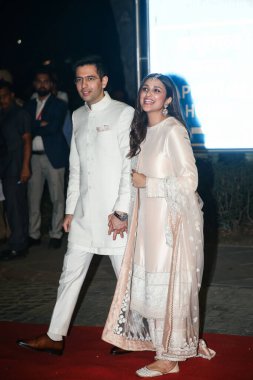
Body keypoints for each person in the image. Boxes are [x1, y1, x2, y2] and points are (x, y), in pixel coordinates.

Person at [17, 55, 134, 355]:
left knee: (126, 280)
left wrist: (122, 211)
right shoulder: (77, 116)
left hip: (115, 216)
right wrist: (70, 210)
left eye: (90, 78)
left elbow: (128, 167)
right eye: (79, 80)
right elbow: (76, 167)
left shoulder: (124, 113)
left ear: (104, 81)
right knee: (69, 274)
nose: (84, 85)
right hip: (83, 215)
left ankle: (131, 335)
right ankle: (55, 336)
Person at [102, 73, 215, 377]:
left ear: (167, 100)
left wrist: (149, 183)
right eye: (145, 88)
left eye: (156, 90)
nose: (148, 93)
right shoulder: (142, 132)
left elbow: (190, 181)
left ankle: (170, 358)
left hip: (169, 225)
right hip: (146, 223)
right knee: (151, 287)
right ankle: (162, 347)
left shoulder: (173, 131)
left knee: (167, 287)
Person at [25, 68, 69, 249]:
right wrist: (40, 124)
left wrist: (35, 126)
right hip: (33, 158)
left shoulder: (59, 104)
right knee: (33, 198)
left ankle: (56, 233)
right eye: (39, 81)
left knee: (57, 197)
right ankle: (33, 234)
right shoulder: (28, 105)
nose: (42, 84)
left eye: (46, 81)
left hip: (54, 157)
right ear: (35, 84)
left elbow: (53, 128)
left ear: (50, 84)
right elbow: (26, 128)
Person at [0, 80, 32, 260]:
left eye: (4, 96)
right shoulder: (2, 114)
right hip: (5, 166)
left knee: (16, 207)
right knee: (11, 207)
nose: (2, 100)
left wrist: (25, 167)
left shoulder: (20, 114)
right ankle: (16, 242)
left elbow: (27, 140)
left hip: (17, 166)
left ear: (11, 95)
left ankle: (19, 245)